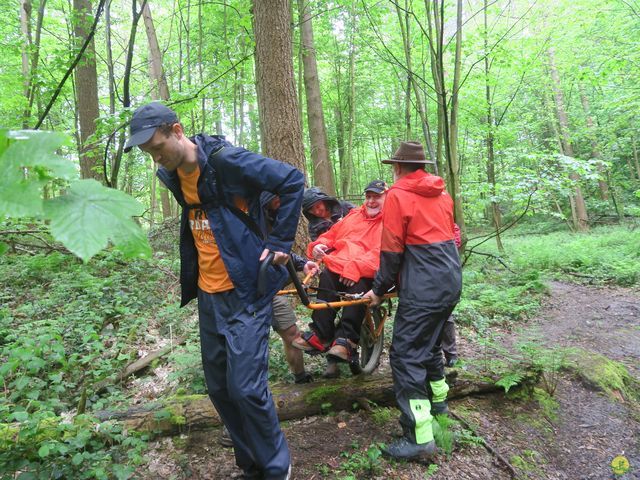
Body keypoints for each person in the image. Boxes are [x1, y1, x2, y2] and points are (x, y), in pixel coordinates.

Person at [125, 102, 303, 480]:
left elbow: (292, 180)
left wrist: (283, 241)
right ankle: (252, 464)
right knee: (220, 388)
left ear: (177, 130)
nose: (155, 158)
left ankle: (277, 468)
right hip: (210, 294)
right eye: (148, 154)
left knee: (246, 388)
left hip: (246, 291)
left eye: (157, 147)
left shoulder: (227, 161)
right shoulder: (172, 174)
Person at [364, 141, 462, 463]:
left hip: (424, 288)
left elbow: (392, 249)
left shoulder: (398, 196)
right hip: (450, 281)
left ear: (398, 167)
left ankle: (419, 437)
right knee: (430, 346)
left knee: (406, 356)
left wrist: (379, 289)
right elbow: (449, 238)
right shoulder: (443, 194)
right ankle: (440, 409)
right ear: (422, 166)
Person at [292, 180, 388, 378]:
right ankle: (321, 333)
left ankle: (347, 340)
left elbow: (385, 254)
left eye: (376, 197)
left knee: (357, 286)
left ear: (387, 198)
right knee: (327, 275)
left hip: (368, 273)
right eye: (368, 197)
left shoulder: (391, 222)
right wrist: (319, 245)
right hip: (340, 265)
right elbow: (331, 236)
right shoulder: (354, 216)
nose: (371, 201)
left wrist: (356, 268)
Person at [261, 192, 318, 384]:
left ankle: (300, 378)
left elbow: (280, 251)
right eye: (276, 196)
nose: (280, 200)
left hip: (270, 289)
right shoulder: (249, 216)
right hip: (244, 293)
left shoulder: (275, 218)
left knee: (292, 333)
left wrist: (303, 264)